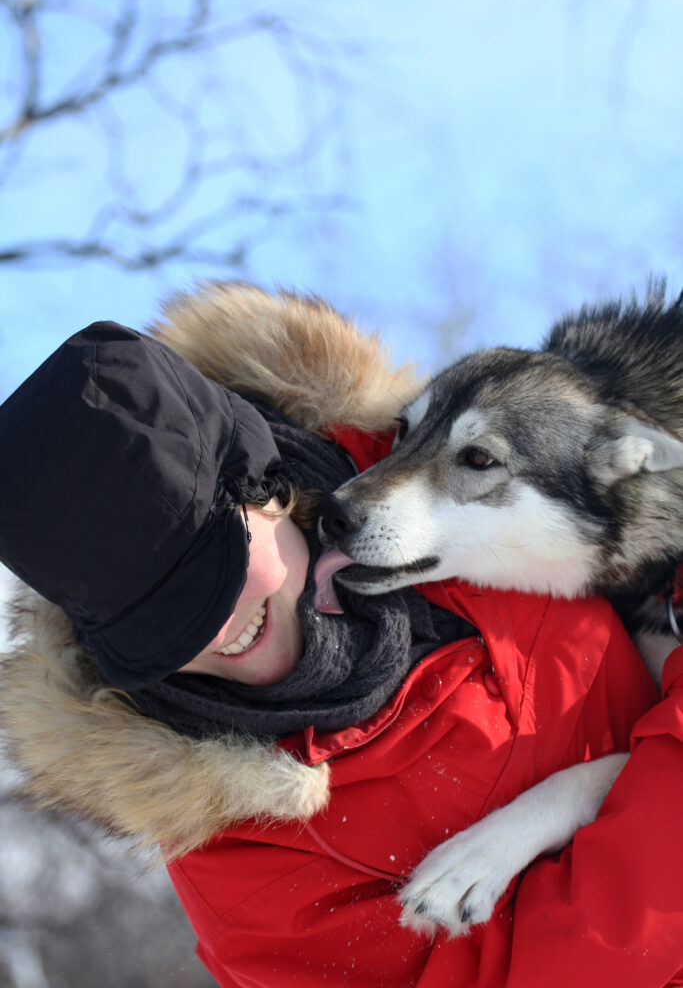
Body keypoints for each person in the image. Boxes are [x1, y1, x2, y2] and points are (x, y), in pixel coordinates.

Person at [0, 283, 682, 988]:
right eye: (161, 627)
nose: (220, 629)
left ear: (265, 488)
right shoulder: (243, 880)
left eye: (218, 572)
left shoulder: (448, 516)